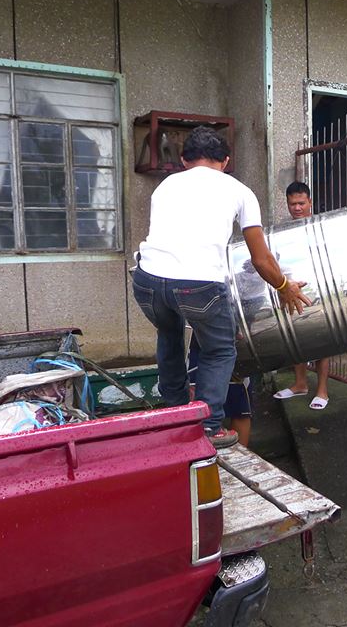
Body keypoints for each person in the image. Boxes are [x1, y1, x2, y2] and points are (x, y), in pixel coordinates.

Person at [133, 127, 311, 449]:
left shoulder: (165, 186)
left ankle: (174, 414)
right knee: (220, 349)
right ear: (226, 161)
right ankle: (208, 426)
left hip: (147, 281)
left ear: (184, 160)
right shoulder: (239, 191)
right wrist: (284, 286)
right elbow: (261, 258)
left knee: (169, 335)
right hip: (198, 286)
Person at [272, 181, 332, 410]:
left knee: (324, 342)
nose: (296, 208)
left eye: (301, 203)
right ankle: (300, 384)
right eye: (292, 204)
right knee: (295, 340)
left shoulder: (322, 226)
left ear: (310, 202)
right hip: (290, 291)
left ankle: (322, 391)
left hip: (320, 290)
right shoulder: (282, 232)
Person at [188, 335, 253, 447]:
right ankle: (203, 453)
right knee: (197, 408)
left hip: (230, 344)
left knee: (240, 408)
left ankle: (239, 458)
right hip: (197, 340)